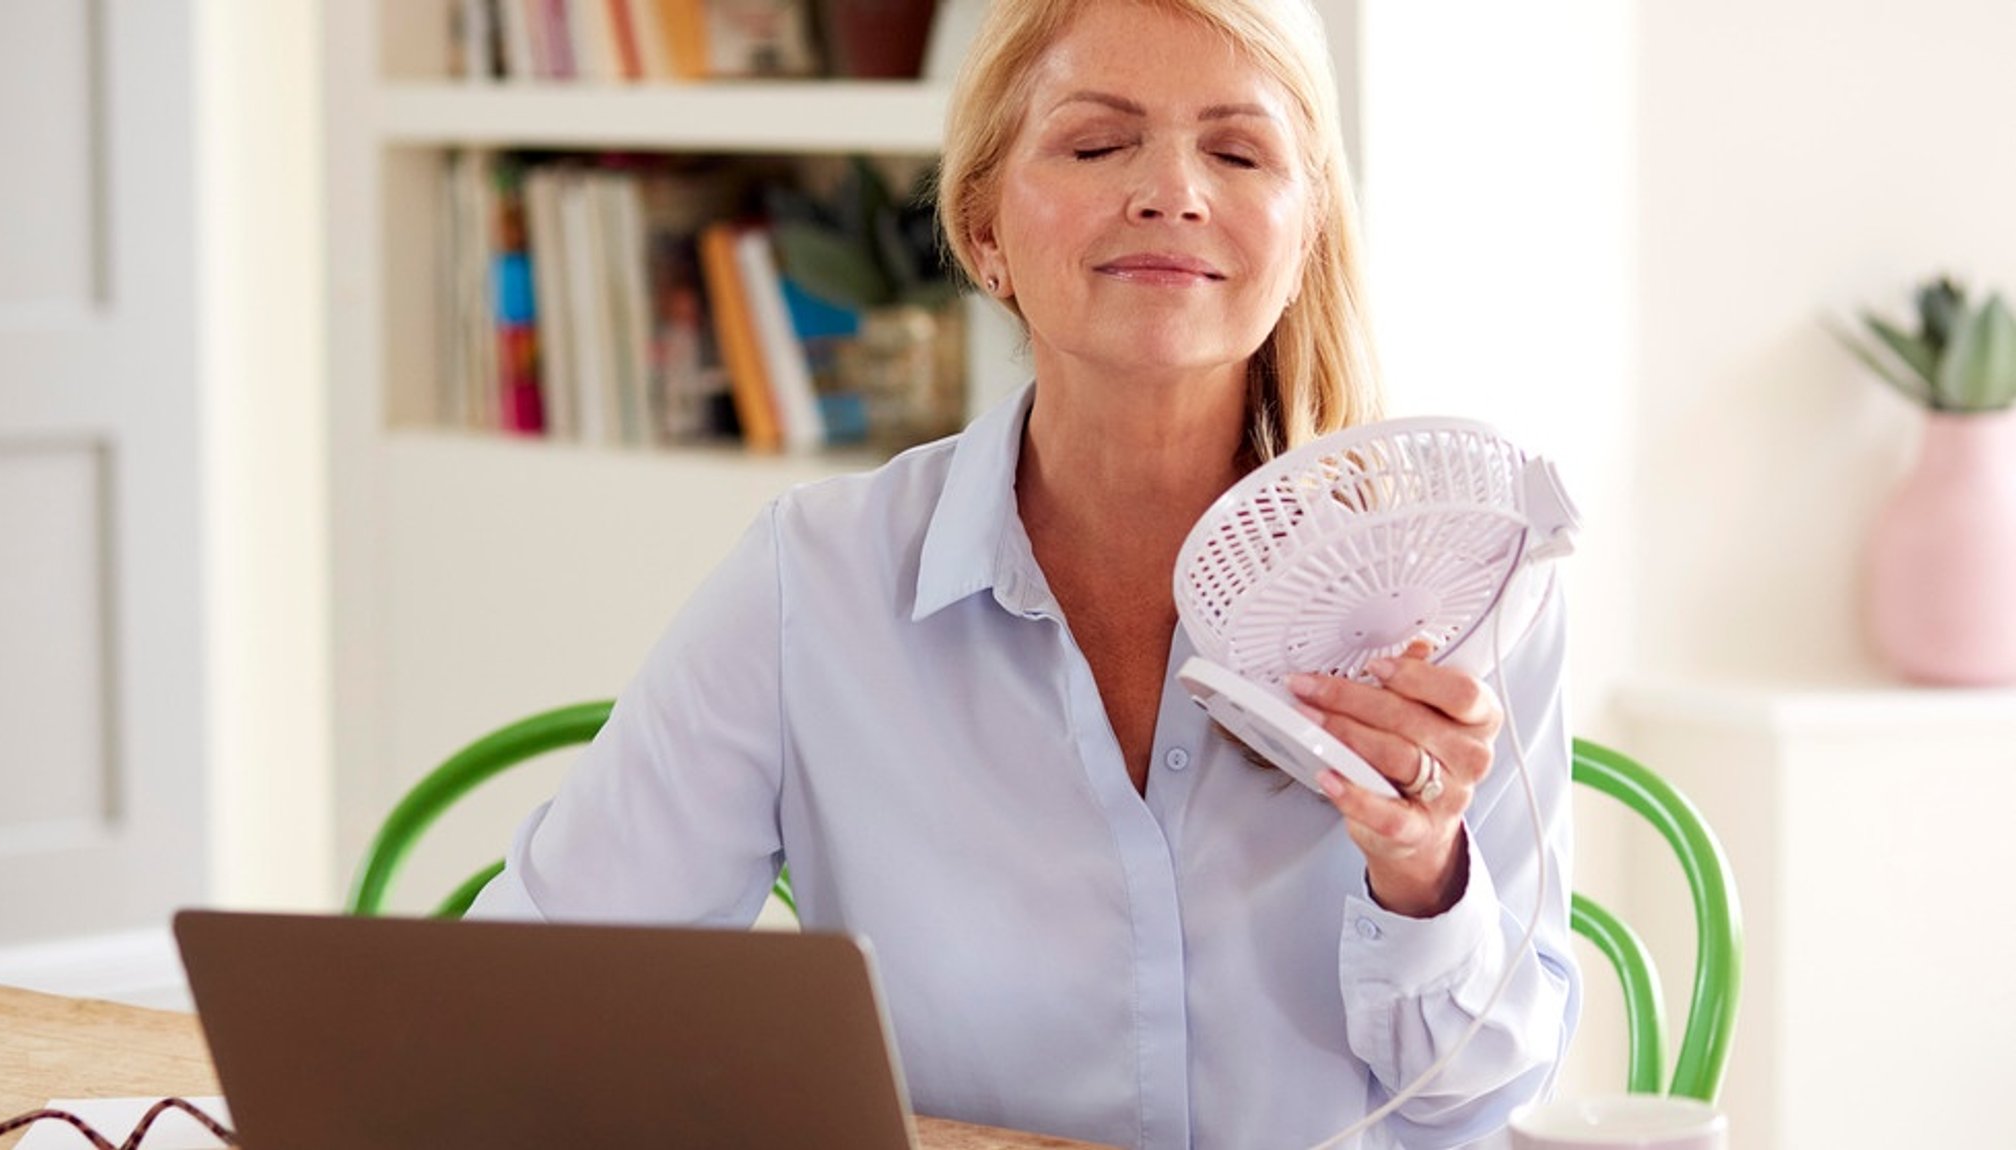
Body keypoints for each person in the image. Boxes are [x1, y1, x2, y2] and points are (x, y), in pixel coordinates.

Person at [470, 1, 1581, 1147]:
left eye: (1237, 151)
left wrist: (1421, 872)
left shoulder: (1458, 587)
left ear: (1304, 236)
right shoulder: (817, 581)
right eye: (1097, 145)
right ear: (984, 229)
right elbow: (529, 1000)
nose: (1171, 192)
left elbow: (1484, 1101)